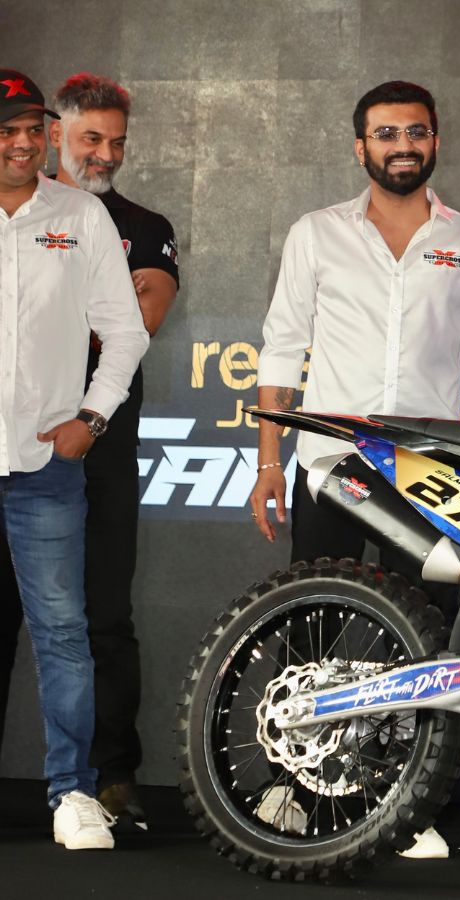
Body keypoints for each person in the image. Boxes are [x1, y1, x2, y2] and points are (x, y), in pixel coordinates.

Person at [250, 79, 460, 860]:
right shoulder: (316, 233)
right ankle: (293, 787)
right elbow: (281, 349)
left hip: (427, 472)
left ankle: (399, 801)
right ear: (360, 146)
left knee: (422, 639)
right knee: (313, 629)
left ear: (436, 141)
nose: (404, 145)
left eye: (417, 132)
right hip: (331, 465)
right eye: (387, 133)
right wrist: (268, 462)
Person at [0, 68, 148, 849]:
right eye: (7, 130)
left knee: (63, 633)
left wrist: (92, 417)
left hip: (45, 470)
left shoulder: (80, 215)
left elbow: (126, 331)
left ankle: (73, 792)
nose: (24, 143)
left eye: (34, 128)